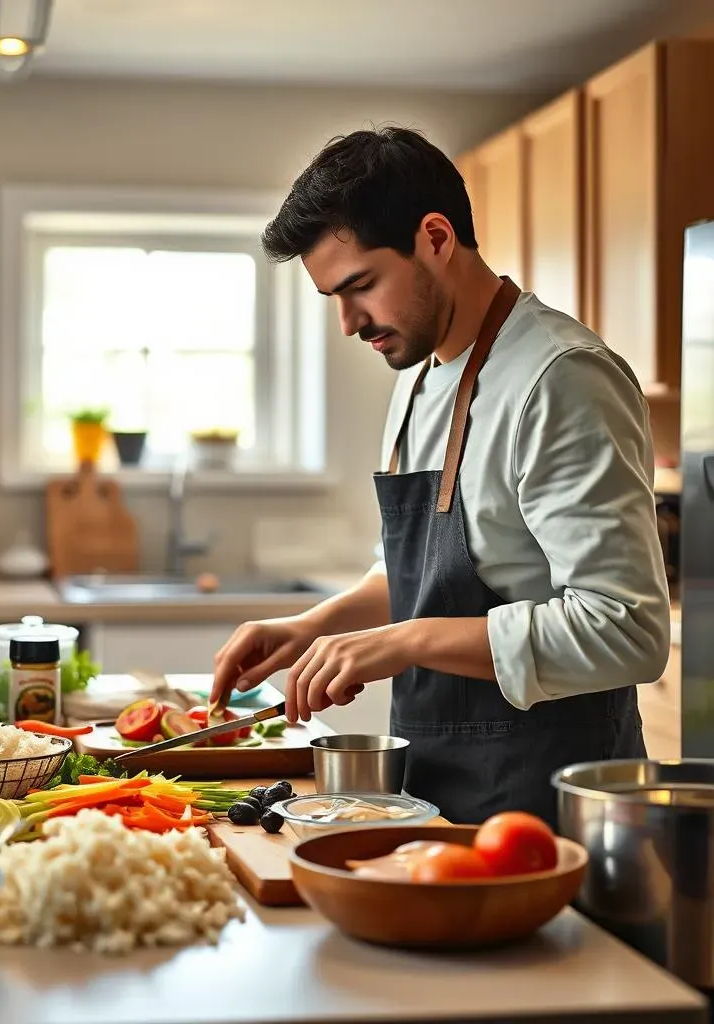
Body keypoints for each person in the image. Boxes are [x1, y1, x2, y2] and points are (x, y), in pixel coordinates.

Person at [209, 127, 670, 827]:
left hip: (545, 811)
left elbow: (626, 629)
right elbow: (420, 570)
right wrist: (311, 627)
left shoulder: (560, 378)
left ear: (435, 237)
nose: (347, 323)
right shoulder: (419, 377)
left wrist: (402, 641)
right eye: (333, 296)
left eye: (360, 286)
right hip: (432, 798)